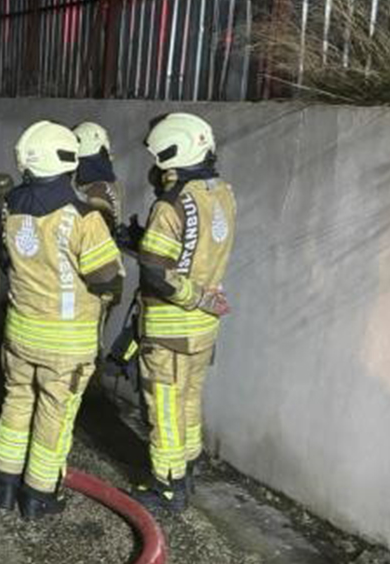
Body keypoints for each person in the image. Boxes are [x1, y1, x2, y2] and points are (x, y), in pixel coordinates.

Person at [0, 121, 124, 520]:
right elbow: (106, 277)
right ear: (69, 160)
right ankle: (39, 496)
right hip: (65, 344)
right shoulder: (82, 217)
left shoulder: (11, 207)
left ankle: (4, 486)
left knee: (16, 404)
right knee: (53, 416)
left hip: (20, 332)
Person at [132, 112, 236, 515]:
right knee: (190, 401)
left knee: (165, 407)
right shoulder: (223, 194)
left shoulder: (171, 205)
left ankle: (166, 486)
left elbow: (157, 273)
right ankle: (188, 470)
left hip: (170, 328)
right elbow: (198, 252)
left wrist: (194, 296)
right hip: (203, 330)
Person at [72, 122, 128, 365]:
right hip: (108, 272)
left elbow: (93, 236)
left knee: (88, 344)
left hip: (98, 275)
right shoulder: (109, 184)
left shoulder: (95, 193)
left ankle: (91, 384)